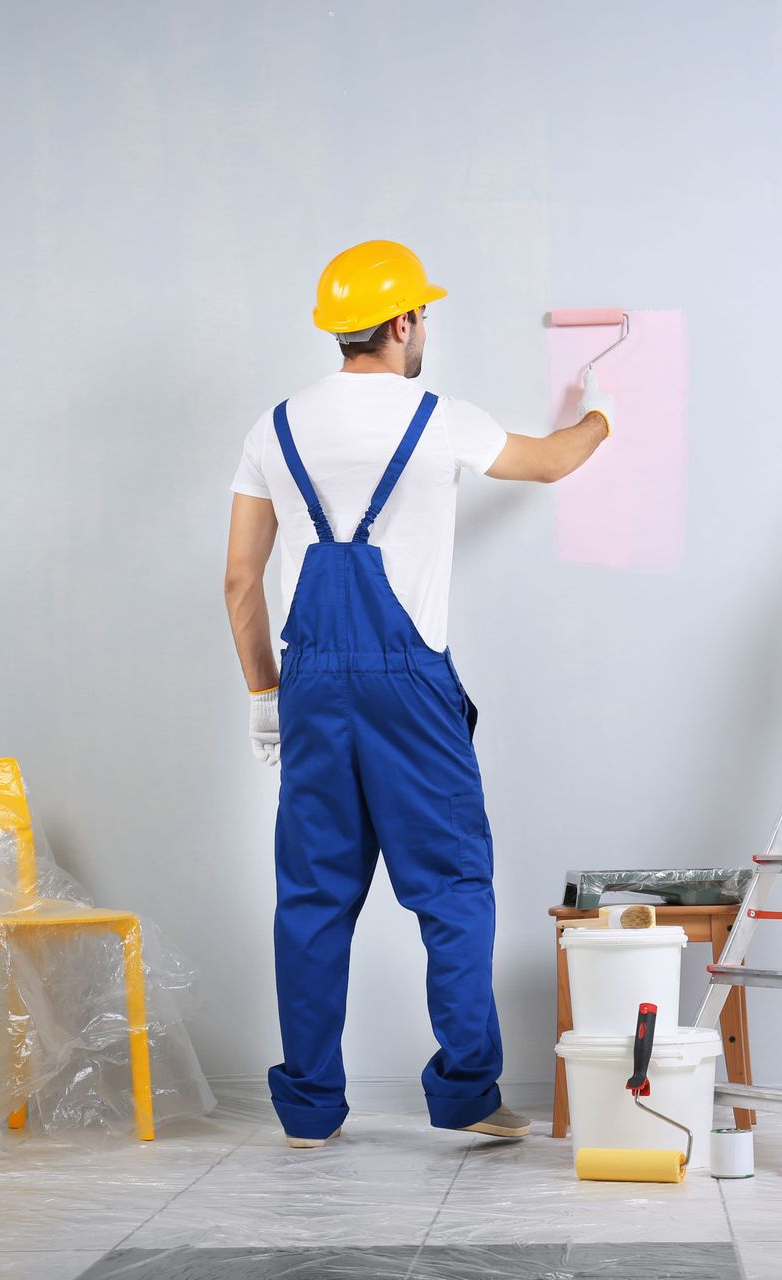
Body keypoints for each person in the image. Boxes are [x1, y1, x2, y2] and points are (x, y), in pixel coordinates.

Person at [224, 240, 612, 1148]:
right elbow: (552, 462)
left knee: (313, 897)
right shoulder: (438, 418)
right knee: (451, 889)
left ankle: (311, 1110)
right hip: (411, 692)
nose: (424, 328)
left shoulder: (273, 428)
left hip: (311, 687)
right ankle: (468, 1093)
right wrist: (601, 418)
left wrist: (263, 696)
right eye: (423, 314)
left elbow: (242, 581)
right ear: (402, 324)